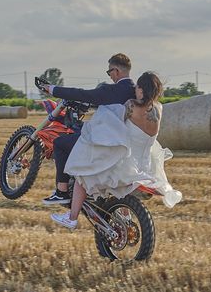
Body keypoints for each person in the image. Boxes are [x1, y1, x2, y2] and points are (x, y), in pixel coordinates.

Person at [50, 71, 182, 230]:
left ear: (141, 89)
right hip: (144, 164)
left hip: (125, 162)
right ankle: (125, 218)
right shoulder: (158, 109)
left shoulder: (132, 106)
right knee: (122, 188)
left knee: (82, 175)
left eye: (137, 88)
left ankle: (71, 218)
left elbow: (109, 122)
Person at [40, 53, 136, 205]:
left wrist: (52, 89)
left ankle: (61, 192)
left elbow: (82, 94)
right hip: (128, 147)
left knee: (60, 143)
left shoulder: (112, 91)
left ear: (116, 70)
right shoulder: (136, 91)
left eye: (109, 71)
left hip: (106, 145)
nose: (110, 75)